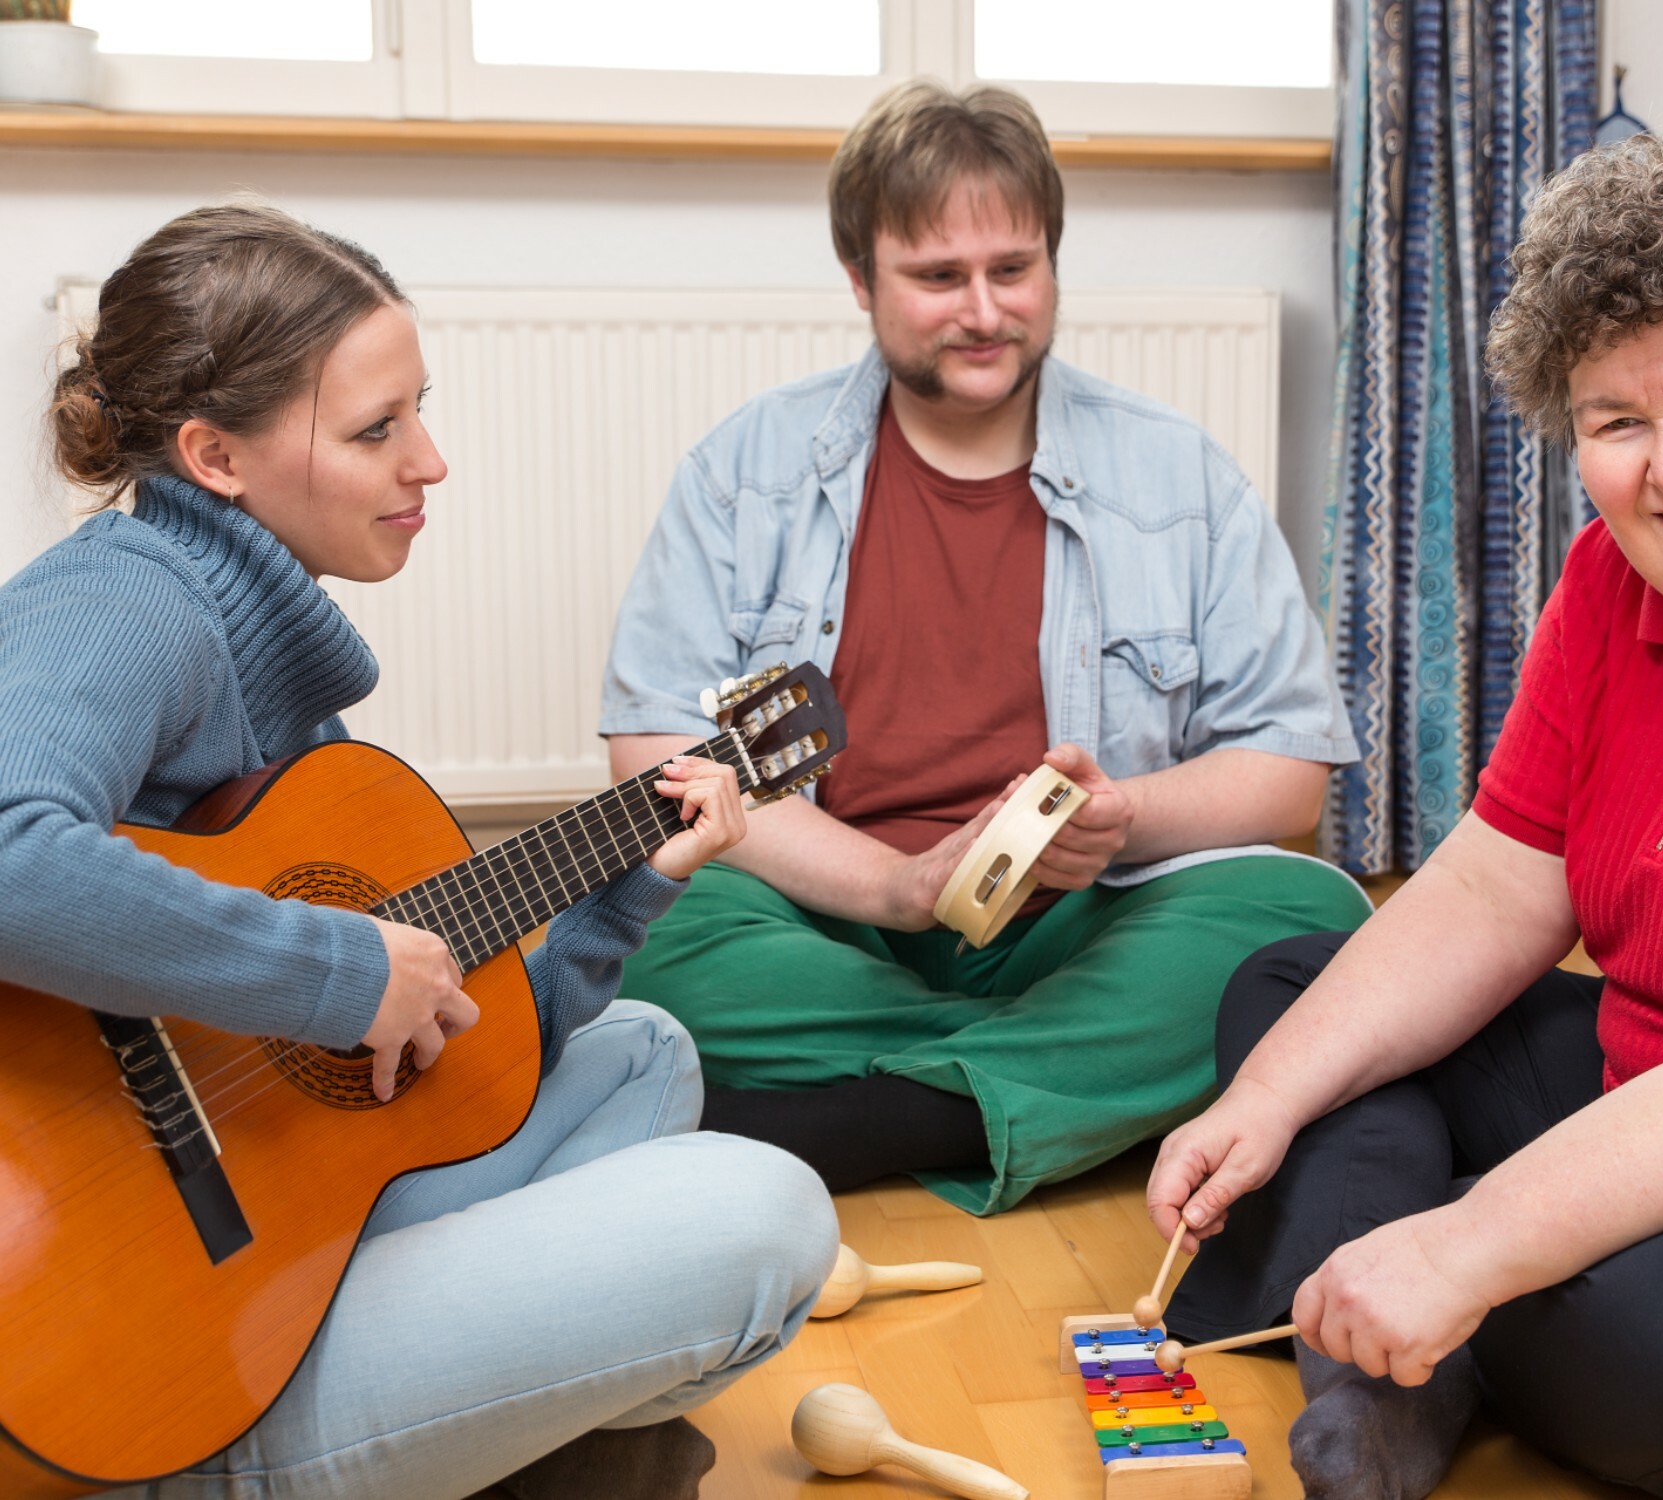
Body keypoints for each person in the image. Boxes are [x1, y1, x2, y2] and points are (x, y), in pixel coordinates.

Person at [1148, 120, 1663, 1499]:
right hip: (1656, 1071)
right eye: (1616, 423)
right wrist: (1264, 1102)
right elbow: (1494, 888)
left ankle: (1394, 1318)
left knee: (1629, 1349)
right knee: (1290, 999)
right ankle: (1396, 1349)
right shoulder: (1612, 575)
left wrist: (1470, 1242)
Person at [1, 202, 837, 1500]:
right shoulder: (128, 599)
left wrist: (616, 902)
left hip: (250, 1228)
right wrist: (336, 973)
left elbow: (431, 1074)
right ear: (216, 456)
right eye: (375, 429)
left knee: (642, 1053)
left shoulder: (275, 689)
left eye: (418, 412)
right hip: (115, 1355)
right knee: (767, 1215)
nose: (430, 462)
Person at [599, 80, 1371, 1216]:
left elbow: (1289, 770)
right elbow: (655, 754)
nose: (982, 312)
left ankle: (876, 1114)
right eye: (936, 278)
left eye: (1013, 269)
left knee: (1313, 919)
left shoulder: (1179, 474)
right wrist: (896, 885)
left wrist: (1123, 817)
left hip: (1075, 929)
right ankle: (1054, 1079)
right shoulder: (745, 469)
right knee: (636, 913)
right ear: (860, 279)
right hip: (828, 917)